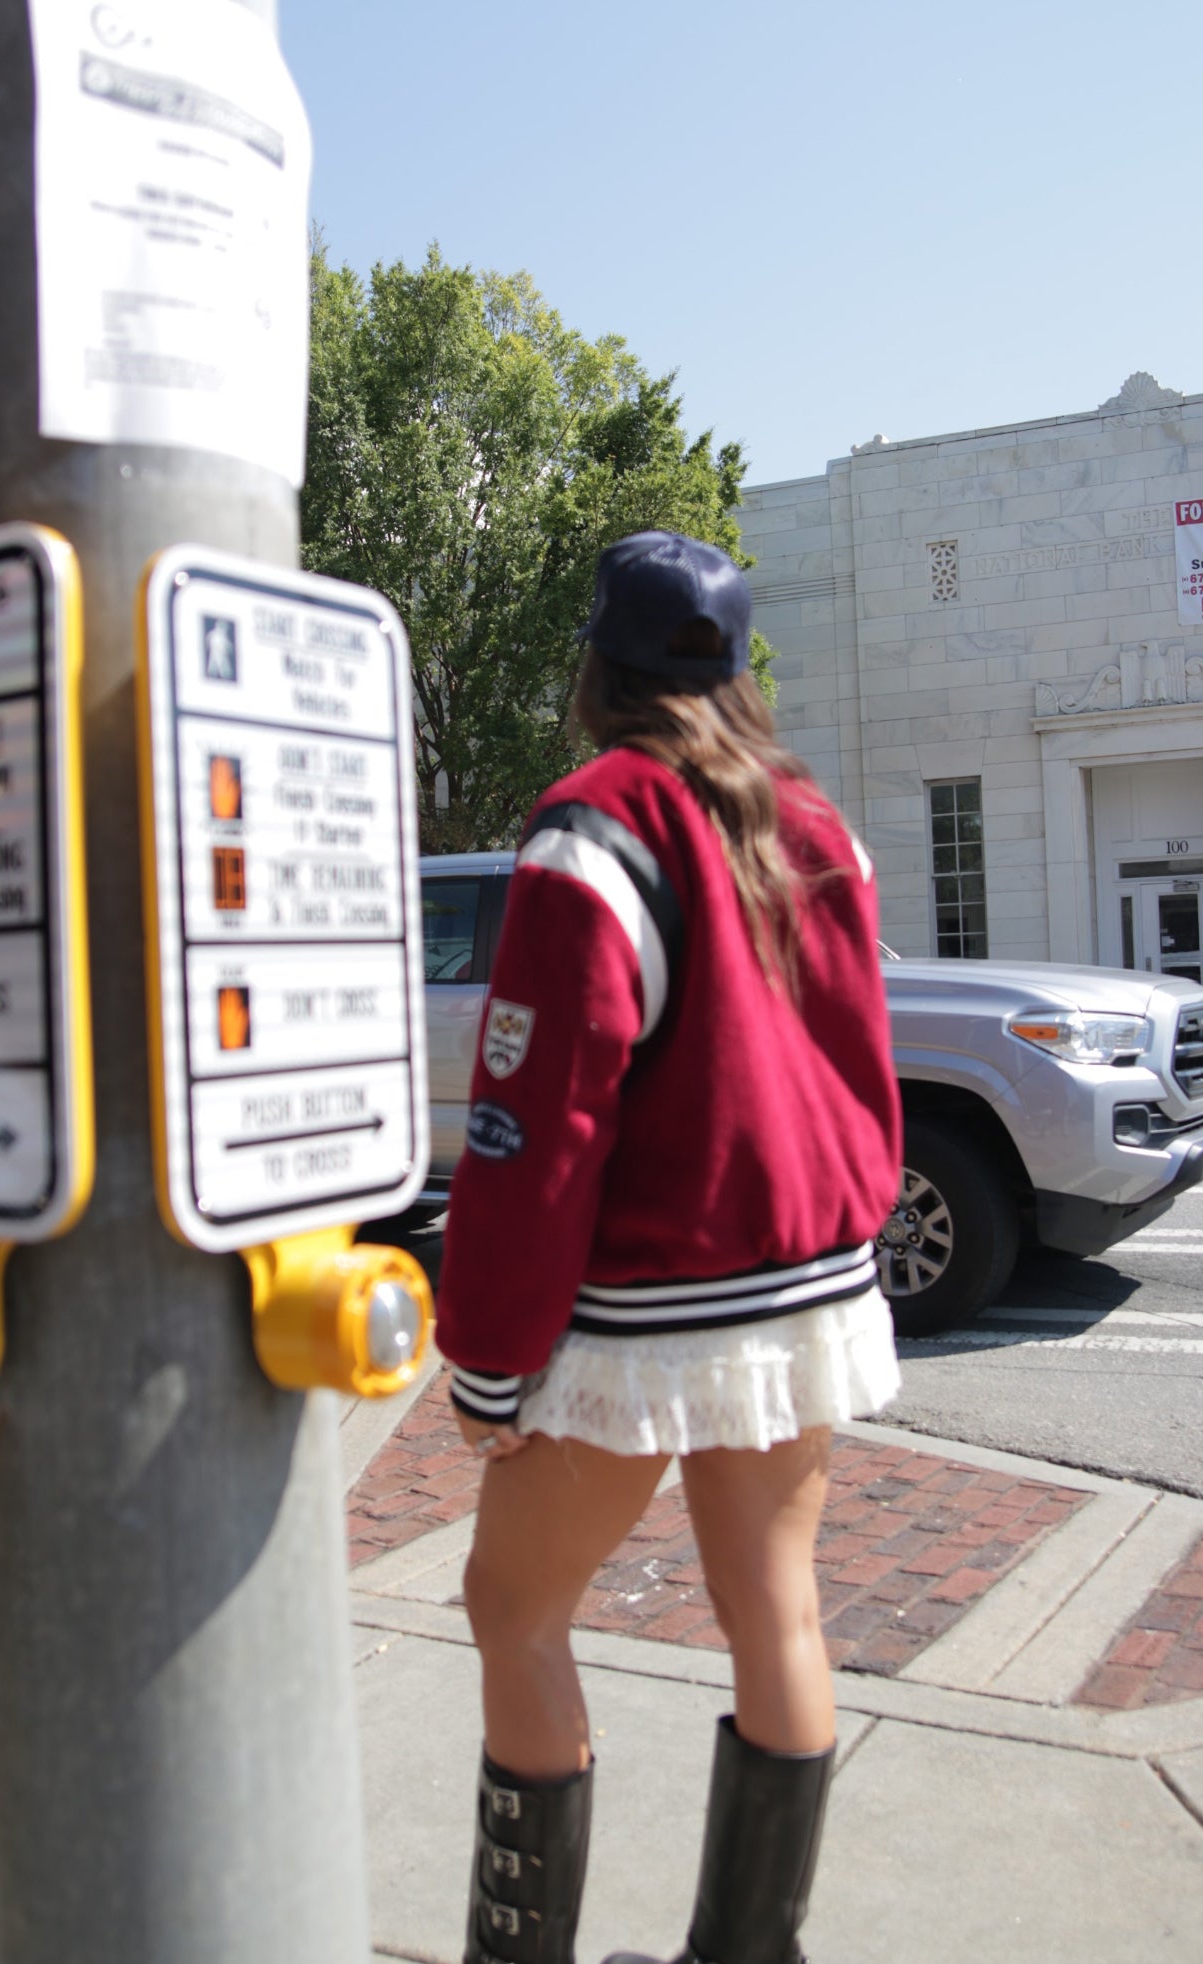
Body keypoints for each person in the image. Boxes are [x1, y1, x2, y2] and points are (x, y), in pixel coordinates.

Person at [434, 530, 903, 1964]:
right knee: (777, 1608)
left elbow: (535, 1127)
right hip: (805, 1282)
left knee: (510, 1604)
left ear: (599, 663)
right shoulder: (814, 821)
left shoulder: (595, 824)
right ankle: (749, 1953)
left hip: (653, 1296)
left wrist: (490, 1362)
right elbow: (860, 1061)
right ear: (734, 667)